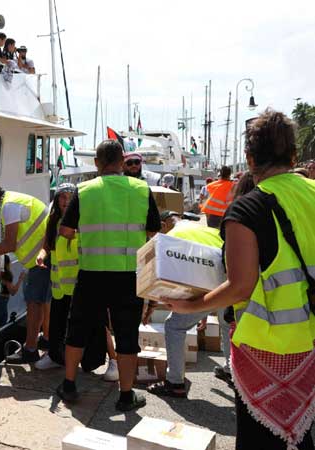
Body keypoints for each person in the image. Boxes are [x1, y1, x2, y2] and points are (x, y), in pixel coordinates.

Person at [164, 109, 315, 450]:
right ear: (294, 156)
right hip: (310, 344)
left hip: (267, 347)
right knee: (303, 435)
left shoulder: (247, 210)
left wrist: (190, 305)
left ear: (249, 159)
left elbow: (240, 287)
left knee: (262, 439)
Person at [56, 139, 161, 411]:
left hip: (91, 273)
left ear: (97, 163)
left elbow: (65, 231)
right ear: (122, 162)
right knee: (127, 335)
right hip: (127, 275)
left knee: (77, 329)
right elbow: (153, 232)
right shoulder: (141, 189)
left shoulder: (84, 190)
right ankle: (126, 396)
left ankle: (69, 384)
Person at [145, 211, 232, 398]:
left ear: (164, 224)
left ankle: (175, 382)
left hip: (206, 287)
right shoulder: (207, 230)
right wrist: (205, 311)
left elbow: (164, 277)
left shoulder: (170, 238)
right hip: (228, 283)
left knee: (174, 326)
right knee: (227, 325)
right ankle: (231, 371)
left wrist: (151, 306)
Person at [0, 182, 50, 364]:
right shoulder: (10, 203)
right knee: (41, 303)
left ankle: (30, 350)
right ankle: (41, 342)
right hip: (42, 257)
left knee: (34, 305)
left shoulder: (9, 206)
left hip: (40, 260)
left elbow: (9, 244)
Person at [35, 183, 79, 370]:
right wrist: (41, 256)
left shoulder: (82, 219)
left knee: (78, 322)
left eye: (70, 197)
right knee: (56, 321)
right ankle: (54, 356)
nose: (66, 201)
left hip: (78, 281)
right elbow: (47, 245)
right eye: (62, 196)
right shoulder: (52, 220)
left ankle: (83, 359)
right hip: (59, 282)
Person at [0, 255, 25, 331]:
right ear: (7, 264)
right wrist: (20, 279)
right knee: (0, 326)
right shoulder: (7, 275)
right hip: (0, 302)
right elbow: (13, 292)